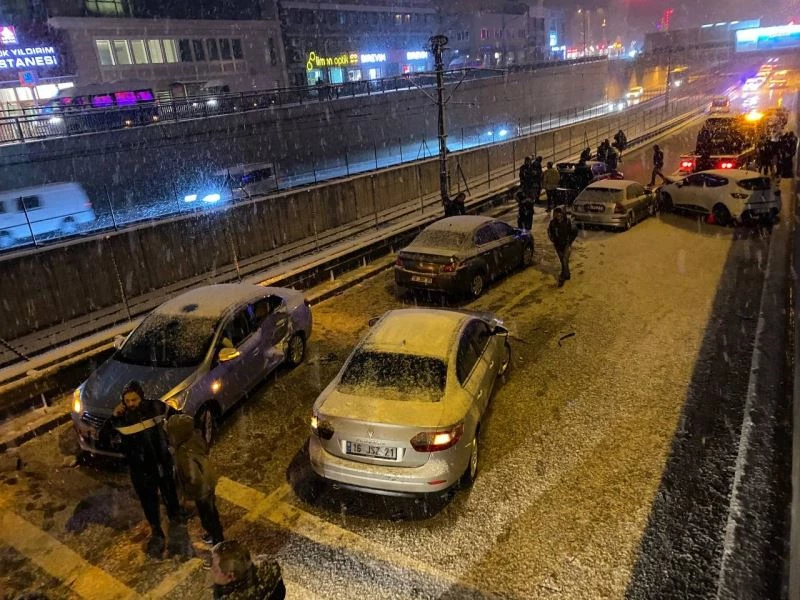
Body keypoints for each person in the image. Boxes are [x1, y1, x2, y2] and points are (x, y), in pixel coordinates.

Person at [111, 381, 183, 558]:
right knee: (148, 499)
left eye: (134, 399)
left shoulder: (155, 407)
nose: (131, 404)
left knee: (169, 489)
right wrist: (114, 416)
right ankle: (156, 529)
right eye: (127, 400)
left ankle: (175, 514)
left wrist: (171, 441)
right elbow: (108, 436)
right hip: (140, 469)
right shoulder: (121, 418)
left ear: (141, 397)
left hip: (161, 461)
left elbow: (176, 417)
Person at [166, 414, 224, 547]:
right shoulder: (194, 439)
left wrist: (190, 496)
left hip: (202, 490)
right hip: (209, 483)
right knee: (212, 513)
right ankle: (216, 535)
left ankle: (218, 542)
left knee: (207, 517)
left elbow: (194, 478)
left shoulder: (184, 452)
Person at [211, 540, 286, 600]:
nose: (211, 570)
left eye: (215, 569)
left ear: (231, 576)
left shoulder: (227, 597)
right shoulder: (270, 565)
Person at [547, 207, 578, 287]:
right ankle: (567, 274)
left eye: (560, 213)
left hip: (566, 244)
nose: (558, 215)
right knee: (562, 261)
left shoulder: (567, 222)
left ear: (562, 214)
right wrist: (553, 240)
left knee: (564, 260)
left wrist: (570, 241)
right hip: (558, 245)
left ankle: (562, 277)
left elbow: (574, 231)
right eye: (556, 213)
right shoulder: (553, 223)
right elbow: (550, 232)